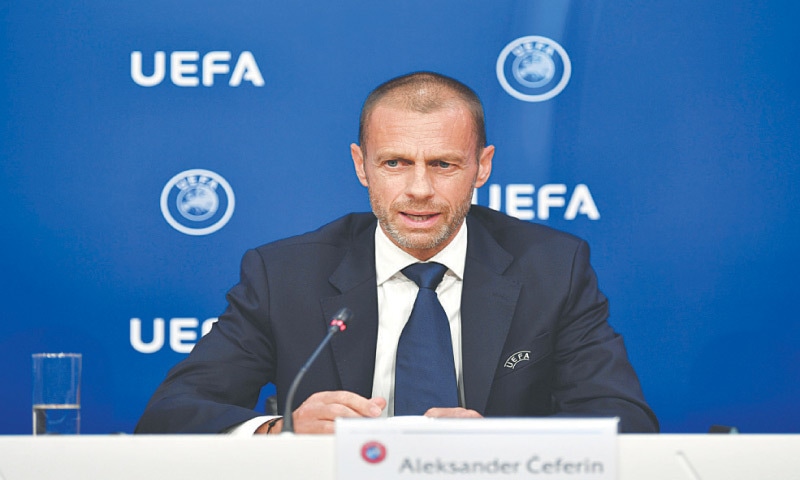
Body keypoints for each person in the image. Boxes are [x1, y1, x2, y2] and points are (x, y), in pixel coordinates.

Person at [136, 72, 658, 435]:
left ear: (483, 167)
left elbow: (625, 421)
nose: (419, 189)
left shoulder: (553, 267)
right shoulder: (284, 274)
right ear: (361, 166)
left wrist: (501, 441)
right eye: (395, 164)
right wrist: (282, 430)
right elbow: (169, 416)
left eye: (445, 165)